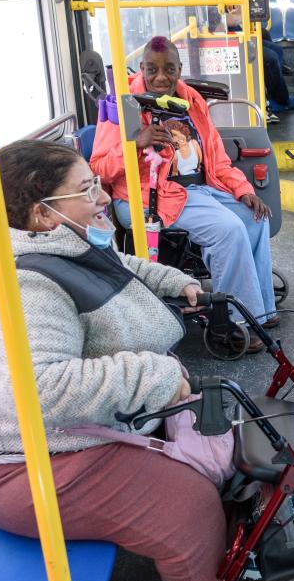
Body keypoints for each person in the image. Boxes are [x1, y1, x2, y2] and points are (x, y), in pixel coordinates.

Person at [0, 140, 278, 581]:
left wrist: (174, 280)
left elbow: (110, 265)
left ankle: (228, 551)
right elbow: (39, 391)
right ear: (41, 213)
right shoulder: (20, 286)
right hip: (26, 464)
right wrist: (151, 374)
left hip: (76, 431)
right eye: (87, 190)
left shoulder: (50, 237)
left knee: (222, 427)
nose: (104, 196)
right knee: (185, 505)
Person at [90, 36, 277, 353]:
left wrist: (242, 189)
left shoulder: (191, 100)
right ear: (143, 68)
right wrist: (136, 143)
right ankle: (234, 322)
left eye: (169, 70)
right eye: (152, 69)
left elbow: (217, 159)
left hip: (200, 188)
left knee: (254, 219)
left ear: (179, 69)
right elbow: (99, 167)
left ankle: (260, 310)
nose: (160, 77)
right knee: (228, 231)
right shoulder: (125, 106)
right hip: (148, 195)